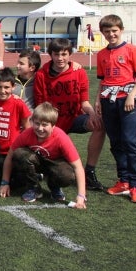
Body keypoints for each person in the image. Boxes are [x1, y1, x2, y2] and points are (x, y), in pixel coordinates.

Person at [33, 38, 105, 191]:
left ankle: (90, 171)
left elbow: (84, 102)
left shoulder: (79, 72)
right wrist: (50, 124)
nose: (60, 58)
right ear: (50, 55)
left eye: (64, 54)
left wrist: (93, 114)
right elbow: (41, 105)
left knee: (100, 125)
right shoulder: (42, 75)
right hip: (52, 122)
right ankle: (41, 170)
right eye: (56, 54)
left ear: (70, 54)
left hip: (74, 117)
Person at [96, 14, 136, 204]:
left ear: (121, 30)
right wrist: (97, 101)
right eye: (107, 31)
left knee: (130, 142)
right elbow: (103, 80)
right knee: (116, 143)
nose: (111, 34)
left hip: (126, 100)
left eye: (114, 31)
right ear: (102, 32)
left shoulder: (132, 50)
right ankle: (123, 180)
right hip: (107, 101)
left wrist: (132, 95)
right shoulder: (101, 54)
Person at [0, 103, 88, 208]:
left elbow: (78, 167)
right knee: (19, 154)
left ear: (53, 126)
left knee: (67, 175)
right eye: (37, 123)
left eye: (45, 125)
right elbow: (9, 157)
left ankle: (54, 186)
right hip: (36, 162)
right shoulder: (27, 134)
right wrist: (4, 183)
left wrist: (81, 196)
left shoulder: (61, 138)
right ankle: (33, 187)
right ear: (32, 122)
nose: (40, 128)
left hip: (55, 165)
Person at [0, 67, 32, 189]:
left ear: (13, 87)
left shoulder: (18, 103)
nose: (2, 91)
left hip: (11, 151)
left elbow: (27, 128)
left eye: (6, 87)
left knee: (19, 184)